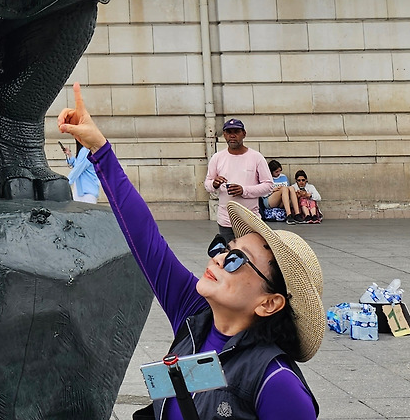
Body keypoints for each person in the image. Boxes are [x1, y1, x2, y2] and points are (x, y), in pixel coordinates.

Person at [59, 87, 323, 419]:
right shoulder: (194, 315)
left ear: (269, 303)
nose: (218, 258)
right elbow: (145, 237)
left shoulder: (277, 384)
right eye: (224, 248)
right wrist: (99, 148)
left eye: (237, 260)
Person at [204, 119, 274, 240]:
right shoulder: (217, 158)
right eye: (229, 132)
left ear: (244, 134)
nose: (232, 135)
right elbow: (207, 184)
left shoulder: (256, 157)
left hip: (250, 220)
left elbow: (268, 185)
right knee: (229, 251)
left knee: (251, 251)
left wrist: (244, 190)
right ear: (224, 135)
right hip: (226, 221)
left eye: (236, 132)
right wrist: (214, 184)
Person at [59, 138, 100, 203]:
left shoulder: (85, 151)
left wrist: (67, 183)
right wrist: (69, 155)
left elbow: (78, 168)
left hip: (86, 191)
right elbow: (79, 165)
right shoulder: (86, 150)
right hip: (83, 190)